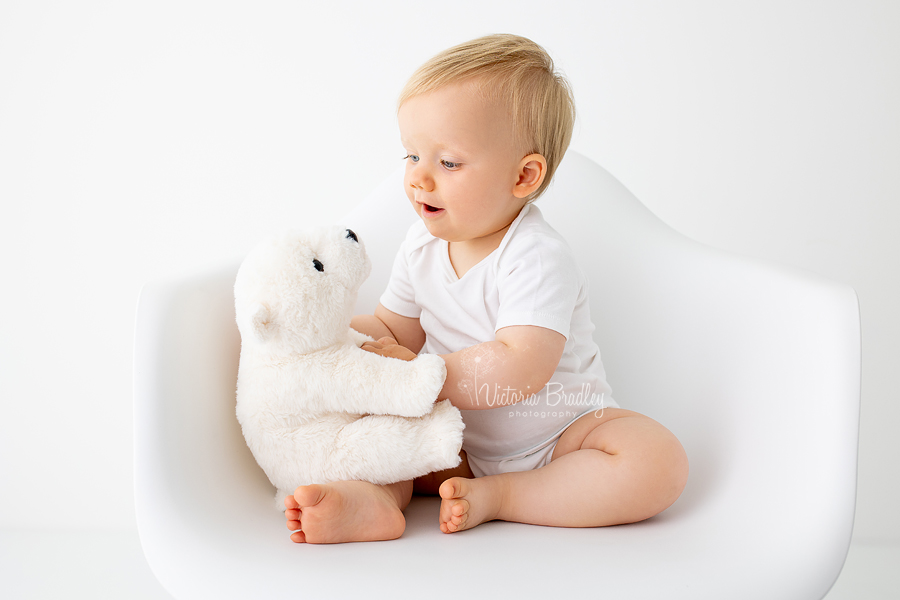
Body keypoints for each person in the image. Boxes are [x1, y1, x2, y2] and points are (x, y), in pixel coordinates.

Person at [284, 34, 689, 543]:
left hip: (564, 435)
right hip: (461, 447)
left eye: (447, 163)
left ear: (523, 176)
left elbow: (521, 363)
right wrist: (330, 338)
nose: (418, 179)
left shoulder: (536, 255)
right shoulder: (421, 247)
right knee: (380, 440)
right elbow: (394, 329)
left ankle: (511, 495)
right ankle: (374, 505)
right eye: (411, 155)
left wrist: (421, 376)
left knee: (655, 460)